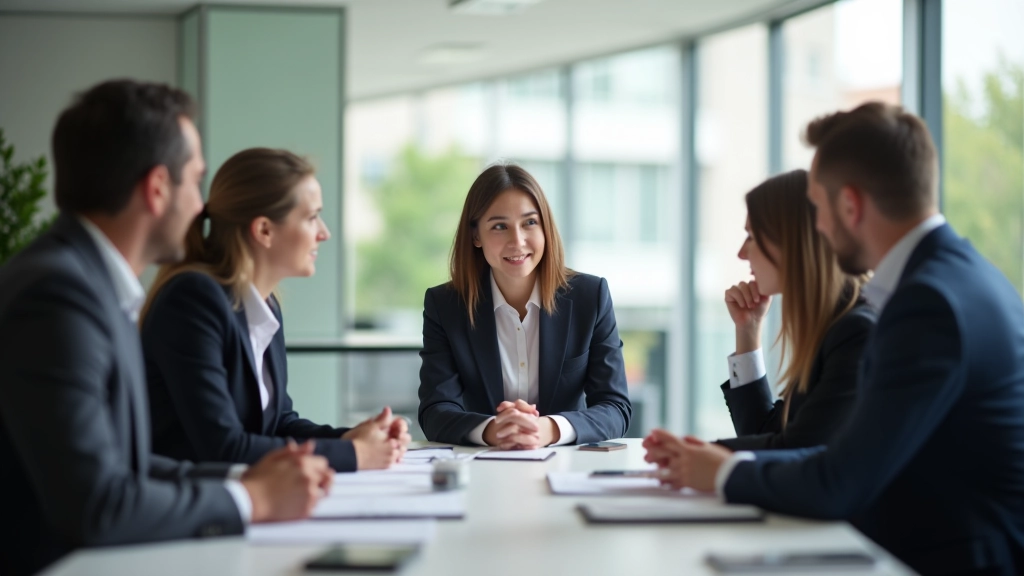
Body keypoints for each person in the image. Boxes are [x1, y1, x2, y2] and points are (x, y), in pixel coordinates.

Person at [644, 102, 1024, 576]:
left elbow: (841, 479)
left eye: (818, 207)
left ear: (850, 205)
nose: (818, 227)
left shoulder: (927, 304)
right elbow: (840, 458)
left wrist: (721, 470)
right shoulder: (963, 277)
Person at [0, 80, 331, 576]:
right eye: (194, 181)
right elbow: (97, 504)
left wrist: (250, 480)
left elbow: (129, 463)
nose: (202, 207)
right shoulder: (58, 295)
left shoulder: (88, 283)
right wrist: (252, 499)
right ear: (157, 188)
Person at [140, 148, 410, 473]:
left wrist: (352, 438)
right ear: (264, 230)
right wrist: (354, 455)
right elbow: (223, 447)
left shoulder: (264, 304)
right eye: (311, 217)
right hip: (188, 497)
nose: (324, 233)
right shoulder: (193, 299)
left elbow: (278, 423)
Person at [418, 163, 631, 448]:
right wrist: (492, 430)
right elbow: (435, 411)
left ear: (545, 228)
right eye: (499, 226)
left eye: (530, 223)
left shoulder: (589, 297)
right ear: (476, 236)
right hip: (484, 465)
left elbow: (615, 408)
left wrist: (549, 429)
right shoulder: (445, 306)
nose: (517, 241)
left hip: (566, 464)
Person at [715, 169, 874, 451]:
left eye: (752, 236)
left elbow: (796, 450)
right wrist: (748, 331)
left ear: (791, 241)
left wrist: (697, 453)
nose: (741, 253)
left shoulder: (855, 332)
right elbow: (769, 433)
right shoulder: (833, 323)